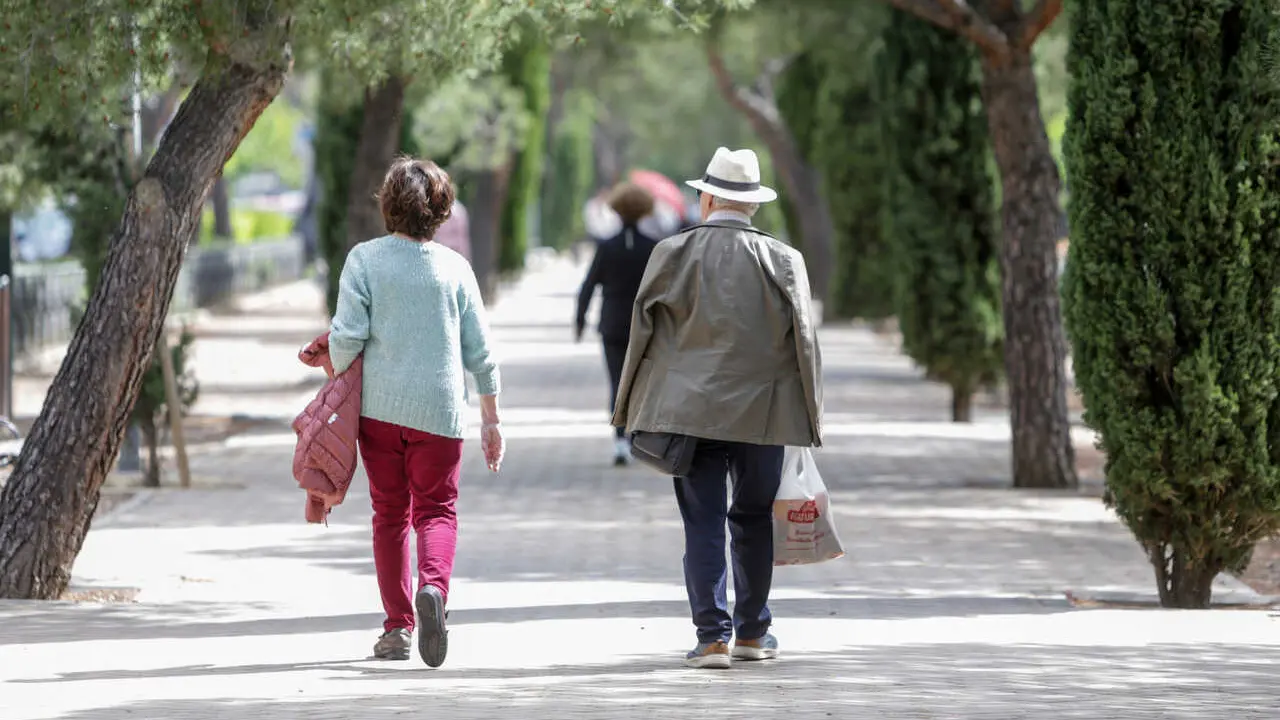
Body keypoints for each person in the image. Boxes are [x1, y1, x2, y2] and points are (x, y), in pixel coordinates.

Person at [611, 147, 823, 669]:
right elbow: (806, 344)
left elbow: (641, 335)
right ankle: (753, 632)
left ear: (706, 197)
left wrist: (628, 411)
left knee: (702, 521)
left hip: (687, 413)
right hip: (765, 413)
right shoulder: (784, 260)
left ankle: (712, 638)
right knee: (753, 517)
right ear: (753, 205)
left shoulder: (672, 253)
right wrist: (810, 419)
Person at [328, 157, 505, 668]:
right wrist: (491, 419)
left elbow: (347, 339)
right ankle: (433, 589)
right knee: (437, 510)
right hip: (441, 412)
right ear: (441, 211)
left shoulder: (364, 260)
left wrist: (334, 362)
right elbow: (481, 353)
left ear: (388, 205)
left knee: (389, 514)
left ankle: (397, 627)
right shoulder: (456, 269)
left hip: (379, 413)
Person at [575, 182, 661, 466]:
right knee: (640, 384)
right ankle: (638, 437)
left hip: (612, 324)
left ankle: (620, 441)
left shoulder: (607, 247)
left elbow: (588, 285)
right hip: (645, 326)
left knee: (616, 382)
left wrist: (580, 320)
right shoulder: (653, 248)